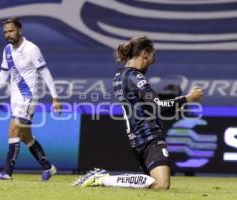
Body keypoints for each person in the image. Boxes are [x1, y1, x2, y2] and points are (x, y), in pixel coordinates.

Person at [75, 36, 203, 189]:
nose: (153, 61)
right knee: (161, 185)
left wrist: (172, 107)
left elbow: (143, 107)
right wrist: (188, 98)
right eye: (153, 55)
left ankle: (103, 178)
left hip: (137, 139)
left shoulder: (120, 75)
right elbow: (157, 105)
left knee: (152, 185)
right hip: (149, 137)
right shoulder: (135, 76)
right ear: (145, 53)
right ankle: (102, 178)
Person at [0, 17, 61, 181]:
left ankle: (7, 172)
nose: (8, 35)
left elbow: (45, 73)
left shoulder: (32, 49)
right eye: (5, 32)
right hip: (15, 98)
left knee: (13, 129)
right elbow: (4, 74)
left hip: (29, 97)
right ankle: (49, 167)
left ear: (20, 30)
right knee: (26, 137)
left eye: (11, 31)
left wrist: (55, 98)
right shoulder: (7, 50)